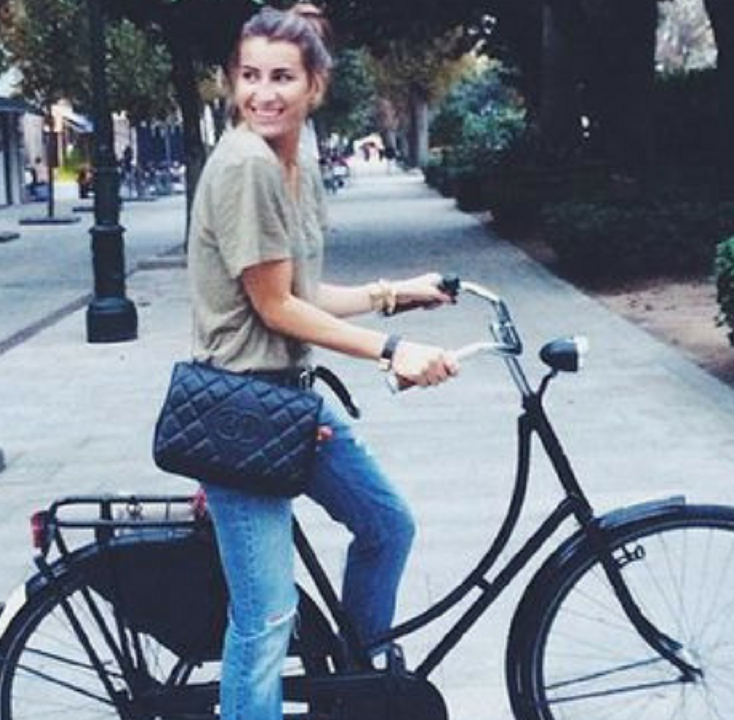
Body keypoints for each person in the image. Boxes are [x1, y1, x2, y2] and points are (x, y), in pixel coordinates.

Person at [185, 7, 459, 720]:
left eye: (281, 77)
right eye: (249, 76)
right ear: (231, 81)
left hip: (288, 399)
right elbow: (276, 308)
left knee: (386, 527)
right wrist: (392, 349)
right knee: (267, 617)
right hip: (241, 413)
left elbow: (302, 292)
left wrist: (395, 294)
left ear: (315, 86)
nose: (262, 93)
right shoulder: (246, 165)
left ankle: (357, 695)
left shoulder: (294, 162)